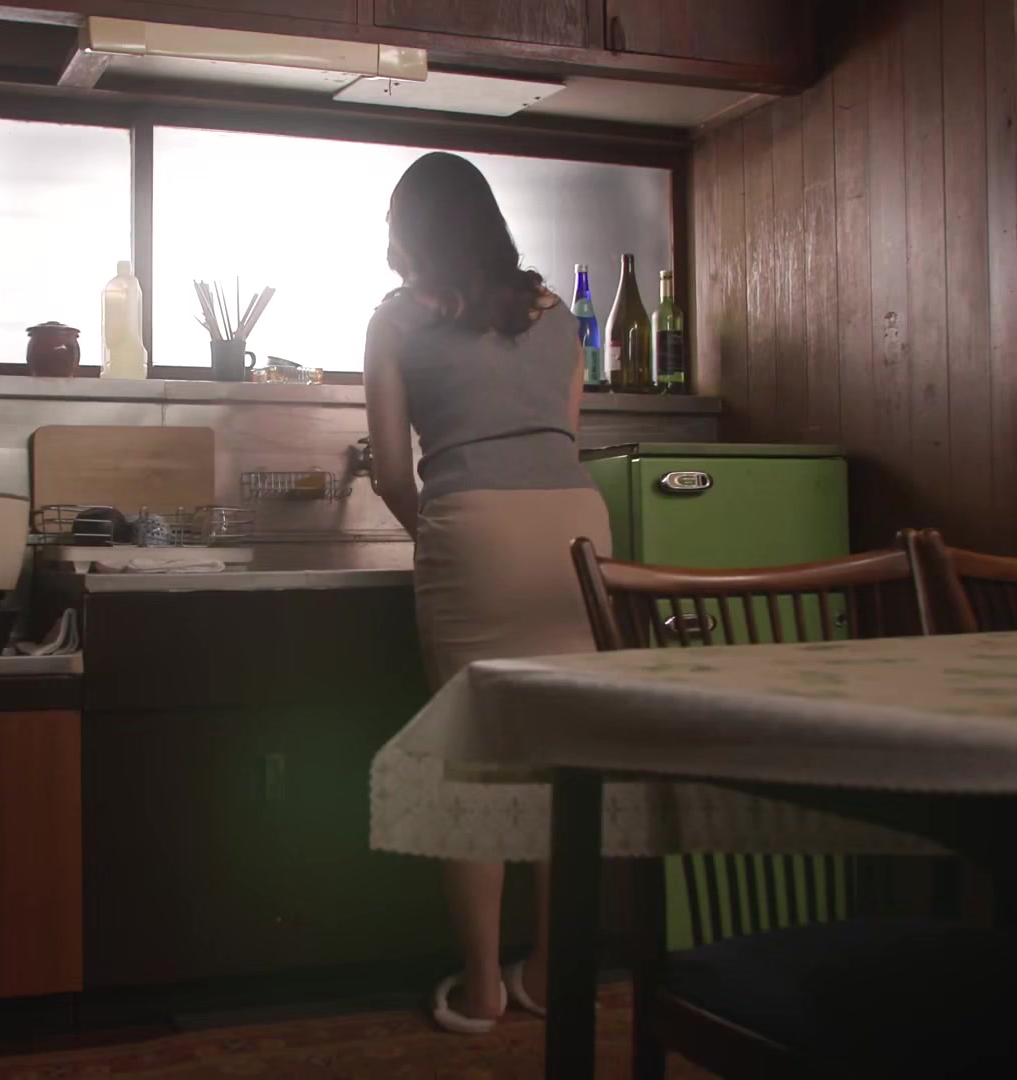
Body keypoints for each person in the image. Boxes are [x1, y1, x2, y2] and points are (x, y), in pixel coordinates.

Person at [363, 151, 614, 1034]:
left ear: (412, 232)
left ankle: (482, 990)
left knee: (472, 765)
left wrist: (442, 534)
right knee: (561, 761)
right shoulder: (555, 317)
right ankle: (548, 973)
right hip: (579, 536)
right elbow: (560, 439)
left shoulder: (394, 319)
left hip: (475, 533)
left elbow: (391, 471)